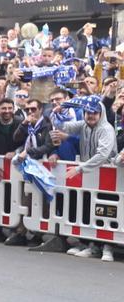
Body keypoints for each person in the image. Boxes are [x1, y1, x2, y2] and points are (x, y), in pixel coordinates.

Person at [52, 96, 117, 261]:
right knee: (88, 210)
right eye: (88, 112)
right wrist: (57, 112)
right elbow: (62, 126)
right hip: (90, 174)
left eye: (95, 112)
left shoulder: (106, 129)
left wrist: (80, 168)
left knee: (106, 211)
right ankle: (92, 246)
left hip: (109, 176)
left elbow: (102, 155)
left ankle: (107, 248)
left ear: (101, 113)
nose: (91, 116)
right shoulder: (83, 125)